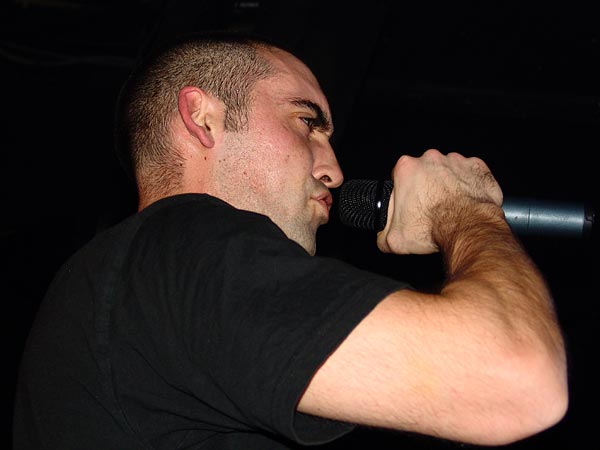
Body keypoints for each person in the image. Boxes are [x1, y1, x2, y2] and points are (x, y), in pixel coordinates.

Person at [13, 31, 568, 449]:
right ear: (203, 118)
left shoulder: (126, 286)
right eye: (307, 123)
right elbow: (517, 378)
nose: (334, 171)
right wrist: (464, 211)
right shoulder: (182, 247)